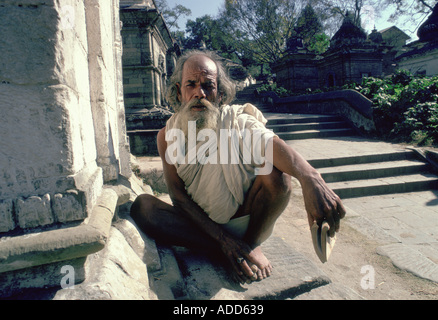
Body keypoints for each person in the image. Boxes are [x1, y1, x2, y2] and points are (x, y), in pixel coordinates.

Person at [130, 50, 346, 284]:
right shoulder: (167, 136)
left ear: (220, 94)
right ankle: (233, 250)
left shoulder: (237, 120)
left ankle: (249, 244)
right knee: (143, 207)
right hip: (200, 227)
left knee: (277, 176)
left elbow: (271, 144)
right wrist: (223, 240)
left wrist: (310, 178)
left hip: (249, 219)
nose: (198, 93)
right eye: (190, 85)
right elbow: (178, 198)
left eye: (207, 86)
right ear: (179, 92)